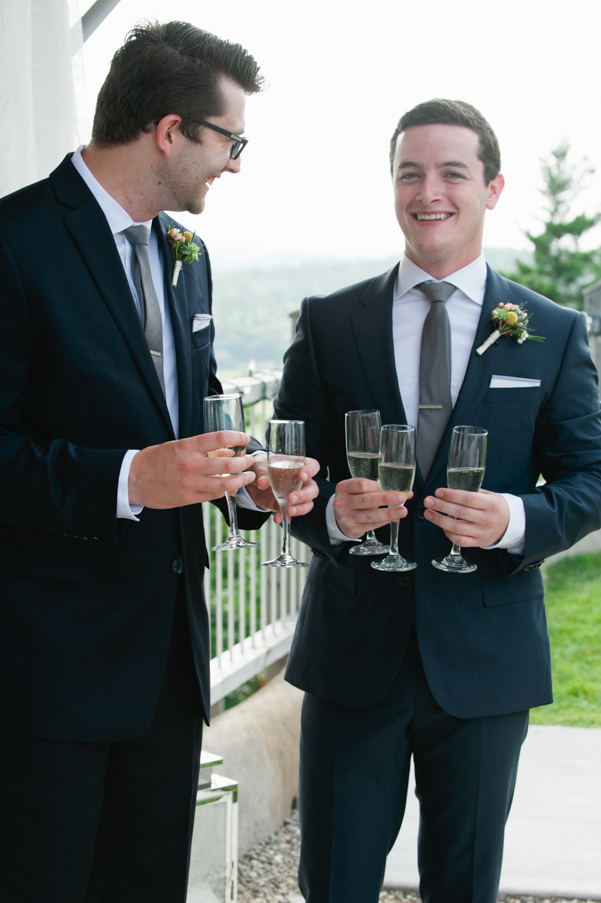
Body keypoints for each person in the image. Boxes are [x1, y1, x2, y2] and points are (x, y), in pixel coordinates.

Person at [0, 20, 318, 903]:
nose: (236, 163)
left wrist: (250, 481)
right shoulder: (13, 242)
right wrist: (128, 479)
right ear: (170, 130)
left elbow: (194, 419)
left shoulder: (189, 256)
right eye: (231, 140)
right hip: (46, 681)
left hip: (168, 677)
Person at [273, 99, 601, 903]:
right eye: (409, 172)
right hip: (353, 658)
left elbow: (590, 476)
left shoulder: (552, 332)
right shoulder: (328, 323)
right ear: (391, 186)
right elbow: (283, 470)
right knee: (335, 885)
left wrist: (515, 519)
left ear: (491, 187)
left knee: (463, 886)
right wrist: (329, 517)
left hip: (486, 662)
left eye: (452, 172)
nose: (430, 191)